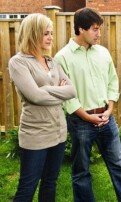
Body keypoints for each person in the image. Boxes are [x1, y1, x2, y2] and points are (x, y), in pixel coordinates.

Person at [54, 8, 121, 202]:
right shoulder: (62, 57)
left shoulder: (103, 53)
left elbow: (112, 81)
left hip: (107, 119)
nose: (99, 33)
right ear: (81, 29)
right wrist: (86, 116)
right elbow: (66, 96)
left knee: (119, 167)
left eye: (99, 29)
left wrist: (109, 109)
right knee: (81, 171)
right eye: (94, 29)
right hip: (80, 121)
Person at [8, 13, 76, 202]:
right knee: (27, 188)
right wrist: (54, 91)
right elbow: (35, 96)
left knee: (50, 183)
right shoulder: (18, 62)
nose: (50, 37)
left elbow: (71, 91)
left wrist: (45, 90)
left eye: (51, 33)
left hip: (58, 133)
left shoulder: (52, 62)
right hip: (35, 135)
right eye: (46, 33)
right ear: (33, 33)